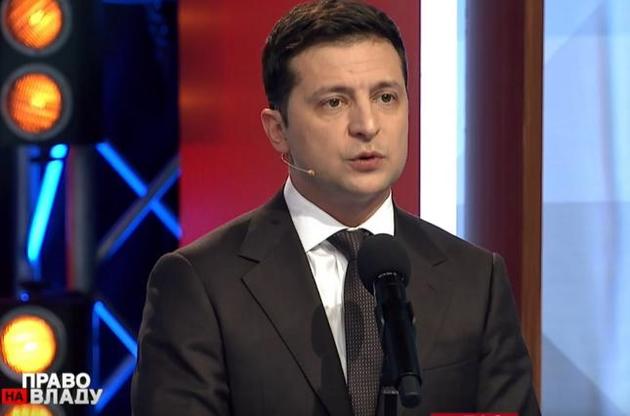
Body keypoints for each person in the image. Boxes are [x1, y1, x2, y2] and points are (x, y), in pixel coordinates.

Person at [131, 1, 541, 415]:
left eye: (385, 97)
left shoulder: (475, 280)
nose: (367, 125)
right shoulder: (200, 284)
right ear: (278, 130)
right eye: (334, 103)